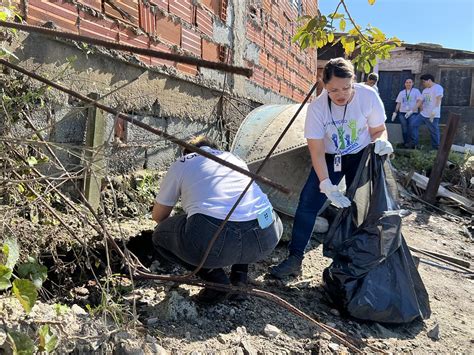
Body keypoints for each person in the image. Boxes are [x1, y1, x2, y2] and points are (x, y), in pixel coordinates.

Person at [270, 58, 393, 279]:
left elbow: (378, 130)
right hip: (330, 156)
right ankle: (294, 259)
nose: (341, 94)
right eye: (333, 89)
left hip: (362, 154)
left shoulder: (368, 96)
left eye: (346, 87)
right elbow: (316, 150)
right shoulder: (318, 108)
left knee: (364, 207)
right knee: (308, 203)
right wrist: (326, 184)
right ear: (324, 85)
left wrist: (382, 140)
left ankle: (363, 265)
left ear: (353, 81)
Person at [151, 136, 283, 304]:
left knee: (159, 236)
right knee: (243, 212)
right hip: (265, 238)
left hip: (215, 237)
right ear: (216, 148)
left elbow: (158, 216)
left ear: (186, 152)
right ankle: (240, 279)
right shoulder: (235, 159)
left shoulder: (183, 162)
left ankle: (216, 280)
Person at [409, 74, 444, 149]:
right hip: (423, 114)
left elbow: (439, 98)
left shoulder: (438, 87)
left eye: (424, 82)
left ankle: (436, 148)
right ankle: (415, 144)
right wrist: (412, 110)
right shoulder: (425, 90)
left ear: (429, 80)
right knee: (412, 125)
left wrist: (436, 109)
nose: (423, 84)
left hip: (433, 115)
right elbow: (420, 101)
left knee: (434, 131)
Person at [391, 78, 422, 147]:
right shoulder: (401, 92)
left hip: (413, 113)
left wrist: (412, 110)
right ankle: (406, 143)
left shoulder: (416, 91)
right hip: (402, 113)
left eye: (410, 82)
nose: (408, 84)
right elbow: (398, 103)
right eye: (407, 82)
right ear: (405, 84)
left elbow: (419, 101)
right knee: (404, 128)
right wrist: (395, 112)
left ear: (412, 83)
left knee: (412, 127)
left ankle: (414, 144)